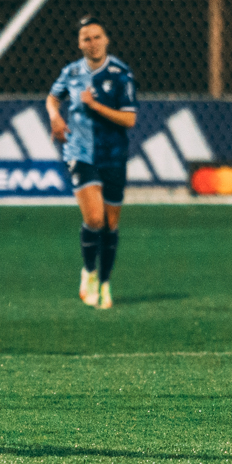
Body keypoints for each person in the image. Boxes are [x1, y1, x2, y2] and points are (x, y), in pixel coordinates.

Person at [46, 16, 137, 310]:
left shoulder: (121, 73)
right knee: (95, 219)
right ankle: (90, 272)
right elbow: (52, 97)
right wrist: (55, 116)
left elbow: (130, 118)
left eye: (97, 37)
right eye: (86, 38)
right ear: (79, 43)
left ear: (106, 40)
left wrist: (95, 106)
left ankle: (106, 283)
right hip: (80, 152)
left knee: (111, 224)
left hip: (113, 155)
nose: (92, 43)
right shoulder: (71, 72)